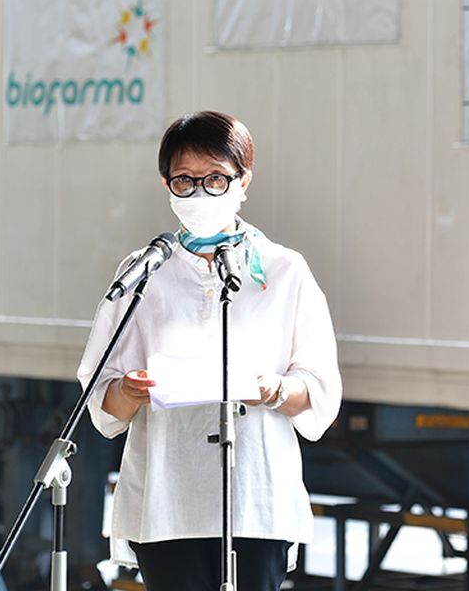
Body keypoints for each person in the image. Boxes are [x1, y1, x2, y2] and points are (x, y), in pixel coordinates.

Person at [77, 110, 342, 591]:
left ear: (244, 181)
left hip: (255, 499)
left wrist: (276, 390)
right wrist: (129, 391)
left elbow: (321, 391)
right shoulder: (144, 272)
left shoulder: (283, 270)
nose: (200, 193)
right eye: (185, 180)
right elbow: (101, 400)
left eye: (216, 178)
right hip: (166, 498)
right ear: (166, 184)